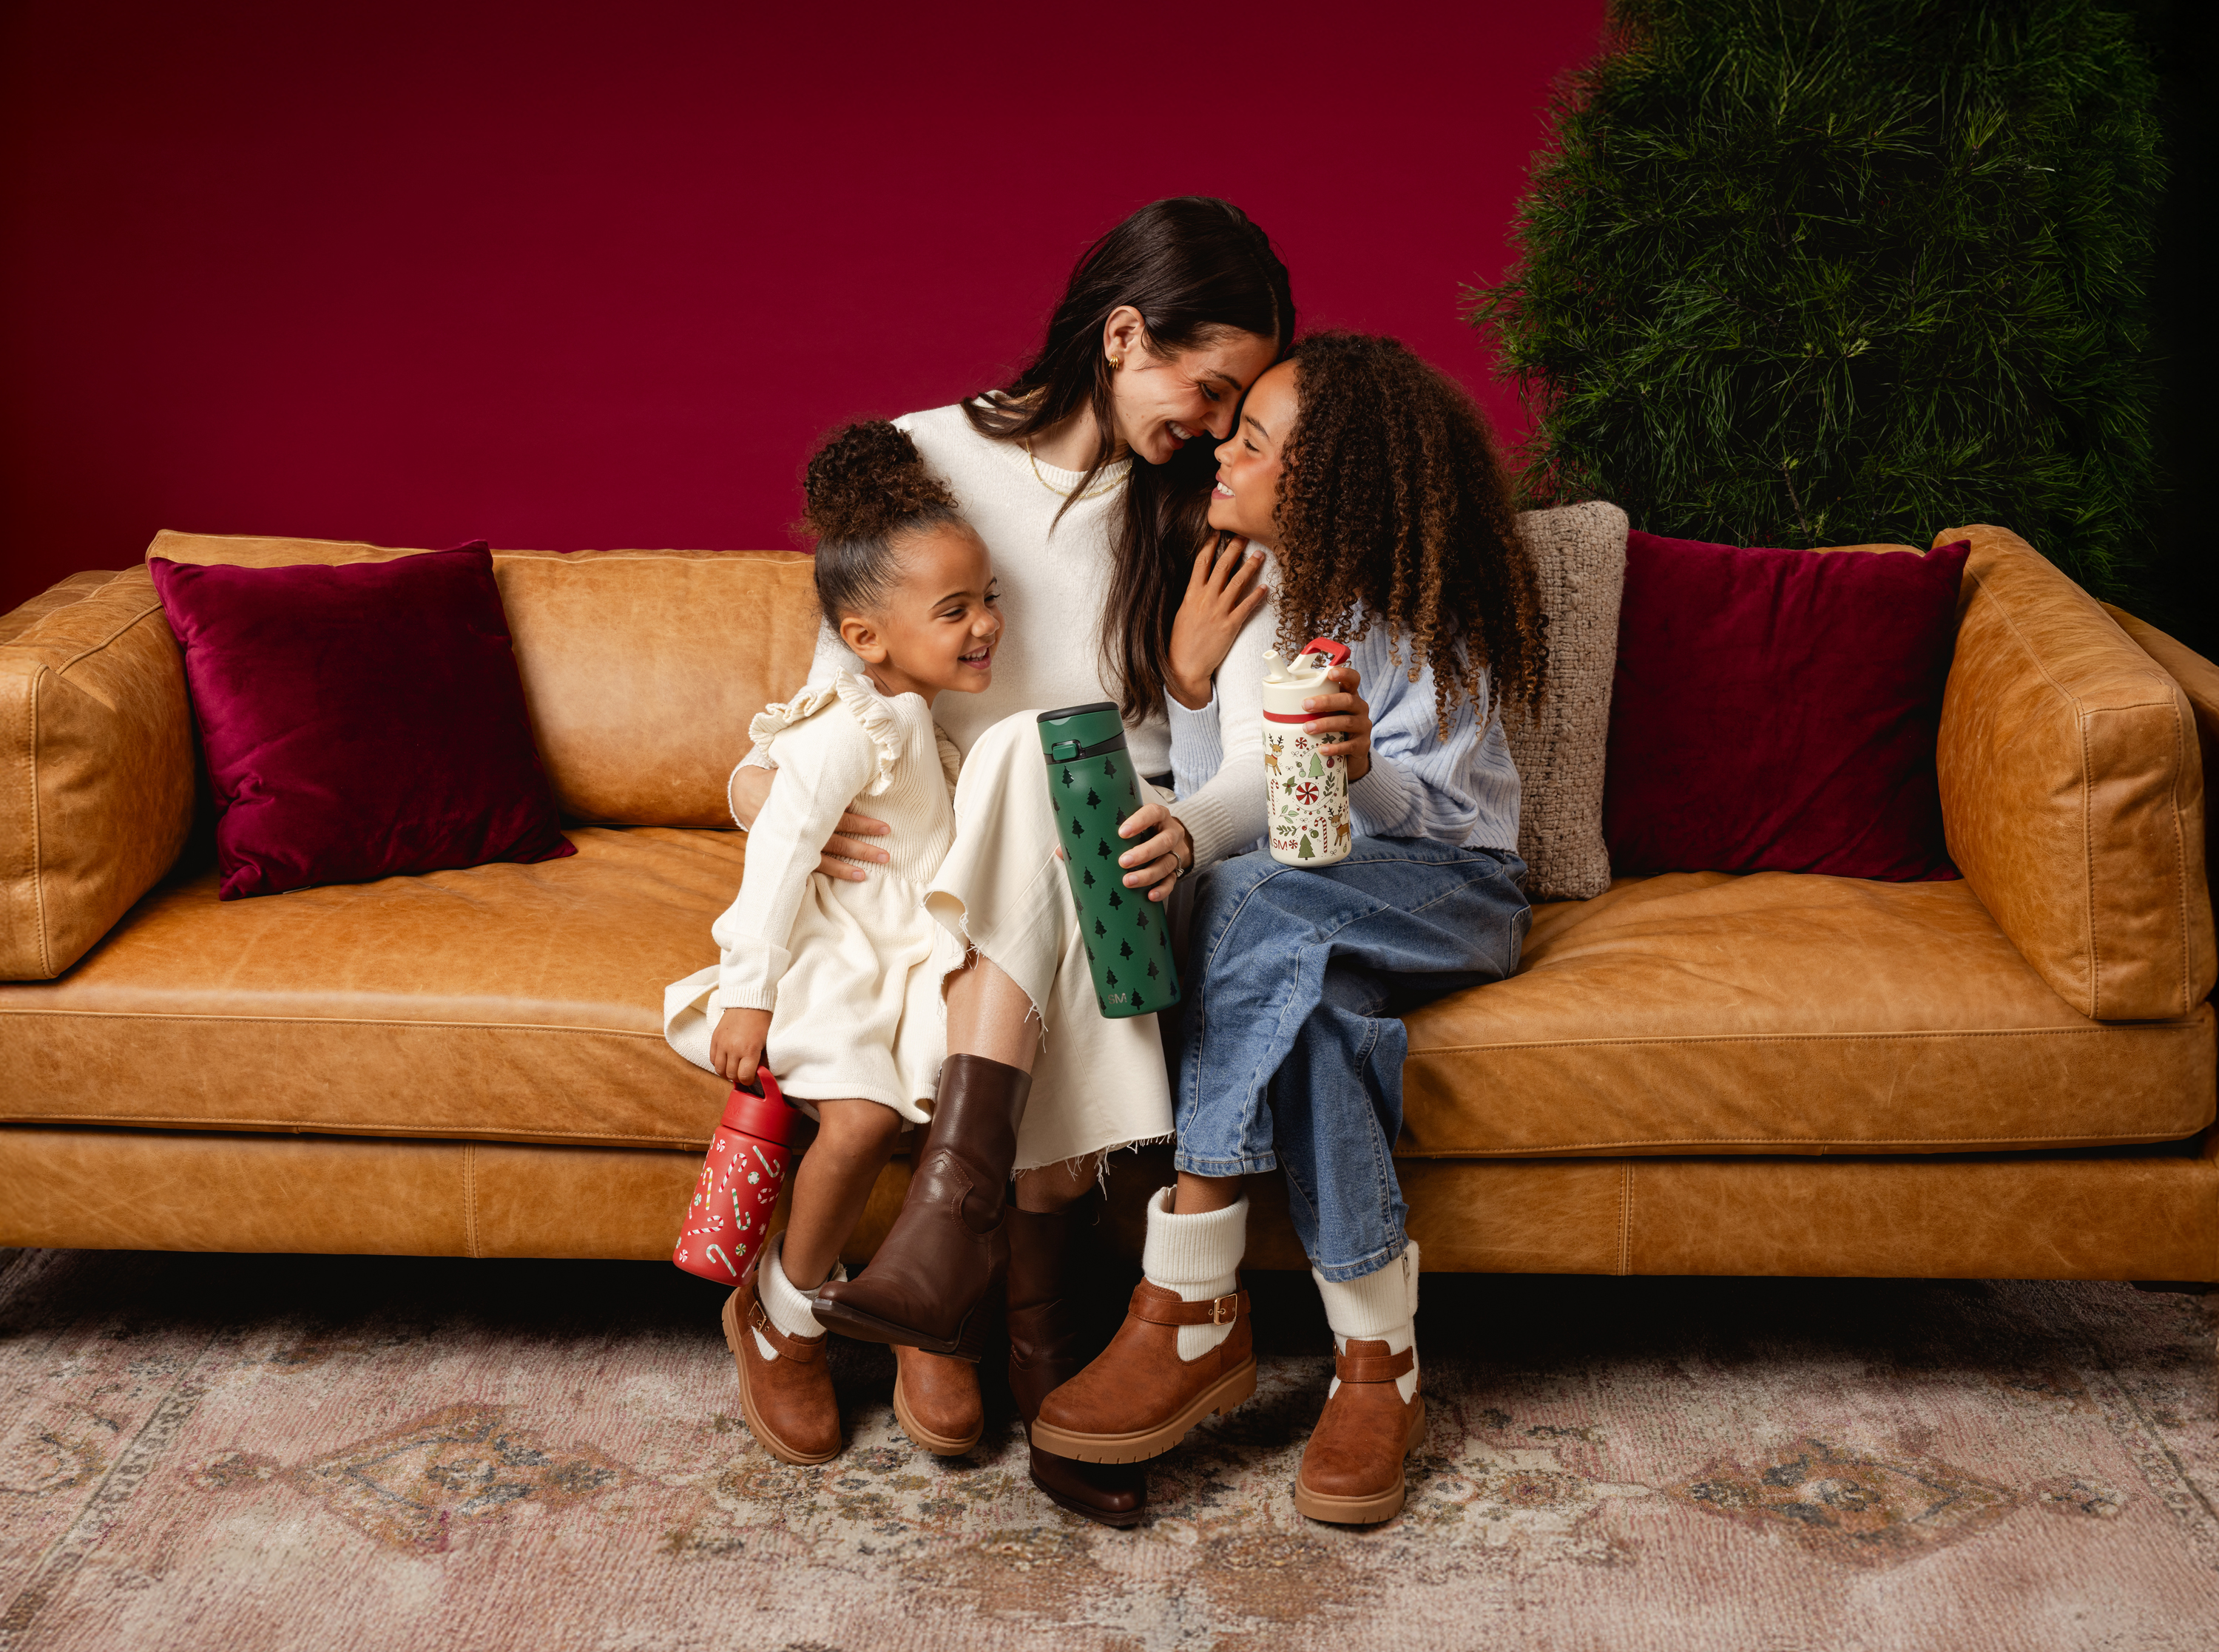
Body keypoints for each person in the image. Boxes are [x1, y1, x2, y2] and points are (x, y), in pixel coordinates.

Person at [727, 197, 1293, 1526]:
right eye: (1207, 387)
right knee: (1018, 759)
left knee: (1047, 748)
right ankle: (1013, 1325)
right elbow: (840, 695)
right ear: (1122, 333)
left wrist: (1194, 776)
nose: (1218, 428)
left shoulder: (1205, 509)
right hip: (931, 876)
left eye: (1238, 405)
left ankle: (945, 1241)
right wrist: (763, 794)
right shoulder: (926, 459)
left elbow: (1261, 760)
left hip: (1121, 878)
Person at [1030, 332, 1547, 1527]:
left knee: (1254, 902)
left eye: (1254, 440)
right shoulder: (1249, 591)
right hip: (1309, 909)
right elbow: (1251, 795)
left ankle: (1191, 1300)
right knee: (1310, 1004)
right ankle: (1382, 1361)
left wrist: (1357, 769)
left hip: (1450, 884)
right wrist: (1197, 687)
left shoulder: (1423, 596)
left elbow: (1445, 808)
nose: (1223, 445)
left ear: (1320, 482)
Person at [663, 421, 1003, 1467]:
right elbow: (777, 861)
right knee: (855, 1121)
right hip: (836, 955)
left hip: (906, 955)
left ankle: (911, 1305)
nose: (987, 624)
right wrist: (748, 996)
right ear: (866, 637)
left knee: (961, 1098)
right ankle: (785, 1309)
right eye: (956, 611)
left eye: (988, 598)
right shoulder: (838, 732)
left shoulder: (927, 722)